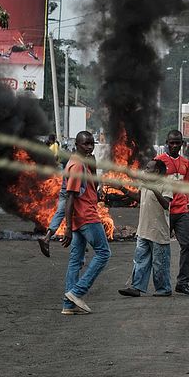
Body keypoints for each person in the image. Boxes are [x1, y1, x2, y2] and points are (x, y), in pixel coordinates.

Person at [61, 131, 111, 315]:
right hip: (86, 216)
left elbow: (94, 187)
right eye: (85, 144)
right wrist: (66, 227)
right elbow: (70, 197)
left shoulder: (84, 163)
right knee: (104, 253)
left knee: (76, 260)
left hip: (79, 217)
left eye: (92, 144)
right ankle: (76, 292)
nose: (90, 147)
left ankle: (68, 305)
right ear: (76, 144)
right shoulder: (77, 166)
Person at [118, 160, 173, 297]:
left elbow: (166, 204)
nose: (145, 170)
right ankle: (136, 287)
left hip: (158, 232)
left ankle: (164, 289)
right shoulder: (144, 184)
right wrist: (123, 189)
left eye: (148, 168)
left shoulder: (165, 185)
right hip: (143, 229)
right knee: (140, 260)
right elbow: (138, 197)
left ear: (157, 172)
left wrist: (153, 188)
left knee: (159, 263)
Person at [156, 130, 189, 295]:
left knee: (186, 245)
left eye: (177, 142)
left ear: (182, 143)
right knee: (160, 249)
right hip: (164, 211)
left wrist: (186, 203)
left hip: (181, 211)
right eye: (171, 142)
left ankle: (182, 283)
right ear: (166, 142)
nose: (174, 146)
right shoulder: (158, 161)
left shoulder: (185, 162)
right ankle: (162, 285)